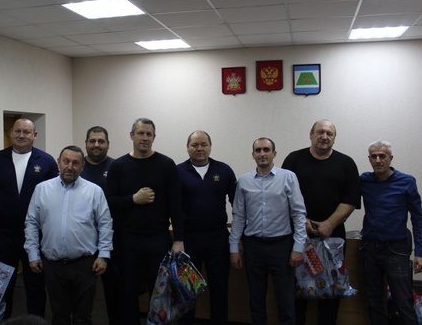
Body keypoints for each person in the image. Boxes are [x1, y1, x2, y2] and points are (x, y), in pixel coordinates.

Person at [105, 118, 185, 325]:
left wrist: (179, 239)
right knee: (127, 292)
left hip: (158, 239)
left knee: (159, 293)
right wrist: (133, 199)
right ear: (131, 135)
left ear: (154, 137)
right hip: (127, 240)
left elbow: (176, 204)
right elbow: (109, 202)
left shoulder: (166, 165)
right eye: (140, 133)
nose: (145, 138)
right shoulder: (118, 166)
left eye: (149, 134)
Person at [282, 119, 360, 325]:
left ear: (334, 138)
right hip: (299, 236)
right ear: (311, 134)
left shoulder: (346, 163)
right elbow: (283, 195)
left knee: (332, 289)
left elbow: (351, 199)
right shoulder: (293, 160)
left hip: (333, 237)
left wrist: (330, 224)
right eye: (320, 132)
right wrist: (302, 221)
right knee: (298, 289)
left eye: (329, 133)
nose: (324, 136)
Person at [0, 118, 58, 318]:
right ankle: (2, 321)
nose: (21, 135)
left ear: (35, 135)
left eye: (26, 132)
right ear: (11, 133)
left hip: (36, 236)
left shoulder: (46, 161)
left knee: (35, 285)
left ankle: (36, 321)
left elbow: (55, 199)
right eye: (17, 131)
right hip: (4, 235)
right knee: (1, 286)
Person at [24, 146, 113, 325]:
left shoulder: (94, 191)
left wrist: (103, 255)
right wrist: (33, 254)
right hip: (53, 265)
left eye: (75, 163)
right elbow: (31, 222)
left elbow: (105, 224)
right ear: (58, 162)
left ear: (82, 166)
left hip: (85, 265)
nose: (70, 166)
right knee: (59, 316)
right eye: (66, 161)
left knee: (83, 317)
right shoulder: (42, 189)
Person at [230, 137, 307, 325]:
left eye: (266, 149)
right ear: (253, 155)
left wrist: (298, 247)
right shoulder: (244, 181)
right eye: (258, 150)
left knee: (285, 299)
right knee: (256, 298)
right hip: (253, 247)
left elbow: (298, 214)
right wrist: (234, 248)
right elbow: (238, 216)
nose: (262, 154)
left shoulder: (288, 177)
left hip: (282, 247)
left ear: (274, 153)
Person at [360, 140, 422, 325]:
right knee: (374, 300)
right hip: (370, 248)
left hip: (396, 249)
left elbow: (417, 218)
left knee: (403, 300)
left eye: (382, 156)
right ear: (369, 159)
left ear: (390, 158)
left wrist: (420, 252)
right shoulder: (364, 180)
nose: (378, 160)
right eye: (374, 156)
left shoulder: (407, 181)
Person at [177, 130, 236, 325]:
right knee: (187, 290)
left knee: (220, 288)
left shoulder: (224, 170)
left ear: (210, 147)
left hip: (218, 239)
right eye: (195, 145)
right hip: (188, 240)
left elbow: (238, 204)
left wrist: (237, 236)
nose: (199, 148)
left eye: (204, 144)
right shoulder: (177, 172)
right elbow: (173, 207)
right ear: (187, 148)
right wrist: (177, 238)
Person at [81, 126, 120, 325]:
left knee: (114, 293)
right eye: (92, 141)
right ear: (86, 143)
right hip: (82, 241)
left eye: (101, 141)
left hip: (112, 240)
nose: (96, 144)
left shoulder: (117, 167)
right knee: (82, 295)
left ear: (108, 144)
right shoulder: (76, 166)